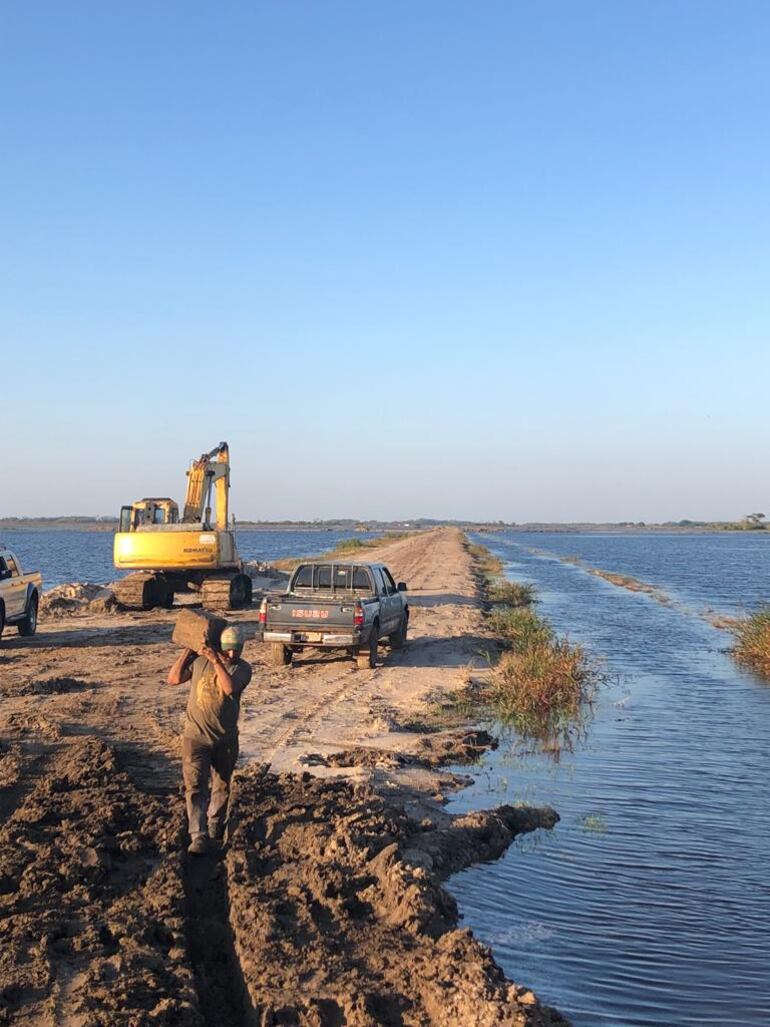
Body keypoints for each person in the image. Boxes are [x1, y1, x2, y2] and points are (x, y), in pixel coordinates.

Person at [167, 624, 252, 855]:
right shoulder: (199, 663)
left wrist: (217, 661)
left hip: (225, 739)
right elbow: (173, 679)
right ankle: (198, 835)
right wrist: (189, 650)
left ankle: (215, 824)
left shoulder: (242, 669)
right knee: (195, 788)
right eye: (229, 650)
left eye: (237, 650)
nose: (233, 654)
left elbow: (229, 688)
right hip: (195, 737)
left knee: (222, 785)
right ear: (222, 647)